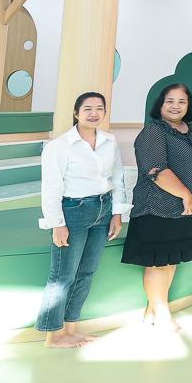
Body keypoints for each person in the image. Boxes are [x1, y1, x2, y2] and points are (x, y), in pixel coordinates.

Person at [35, 91, 128, 347]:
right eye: (88, 109)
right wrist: (58, 224)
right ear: (76, 113)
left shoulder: (109, 141)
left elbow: (117, 178)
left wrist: (117, 213)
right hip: (73, 211)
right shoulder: (59, 146)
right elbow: (51, 188)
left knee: (86, 273)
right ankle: (53, 335)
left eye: (99, 108)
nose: (94, 113)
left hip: (103, 209)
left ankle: (70, 329)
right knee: (63, 275)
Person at [126, 83, 192, 330]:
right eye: (170, 101)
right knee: (157, 263)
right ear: (160, 105)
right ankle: (163, 316)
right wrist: (186, 195)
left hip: (185, 210)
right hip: (156, 207)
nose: (175, 106)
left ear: (189, 106)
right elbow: (156, 170)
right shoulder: (153, 131)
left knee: (170, 261)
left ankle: (152, 312)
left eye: (182, 101)